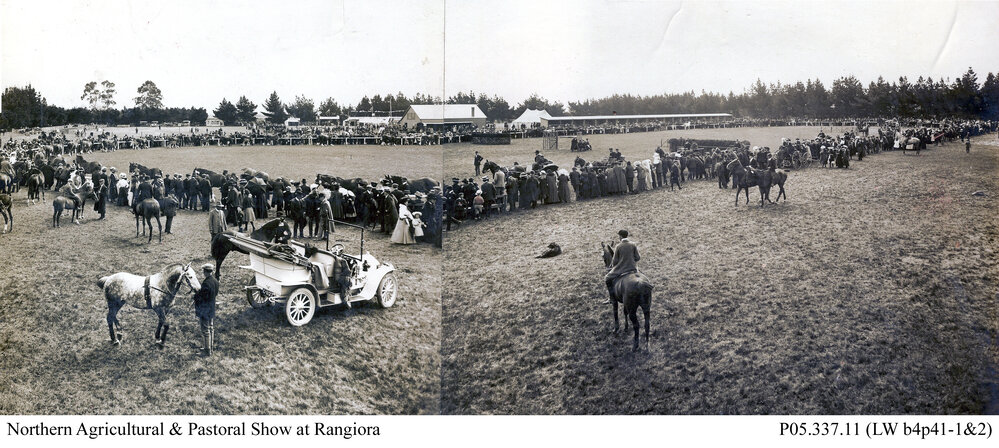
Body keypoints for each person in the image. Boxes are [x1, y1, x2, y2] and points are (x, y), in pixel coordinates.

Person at [604, 229, 640, 304]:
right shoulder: (633, 244)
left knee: (607, 278)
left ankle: (612, 298)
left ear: (620, 236)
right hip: (633, 269)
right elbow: (638, 257)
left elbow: (614, 261)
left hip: (622, 269)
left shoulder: (618, 246)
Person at [192, 264, 219, 355]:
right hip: (211, 308)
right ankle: (209, 347)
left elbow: (202, 297)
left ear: (206, 272)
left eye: (204, 271)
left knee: (205, 330)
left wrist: (195, 296)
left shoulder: (206, 283)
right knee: (211, 328)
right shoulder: (215, 281)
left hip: (205, 310)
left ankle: (207, 351)